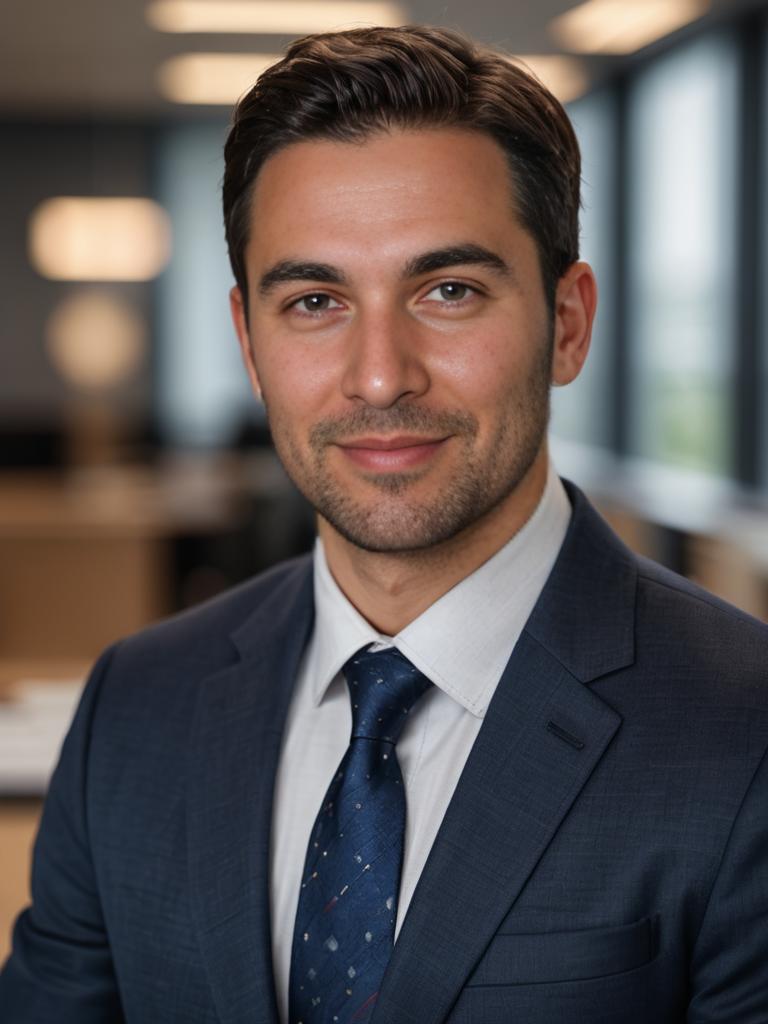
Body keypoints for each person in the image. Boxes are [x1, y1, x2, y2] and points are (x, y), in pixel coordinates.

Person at [1, 24, 767, 1024]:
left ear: (568, 323)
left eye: (448, 291)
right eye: (315, 300)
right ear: (248, 341)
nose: (378, 375)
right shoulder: (136, 710)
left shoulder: (744, 729)